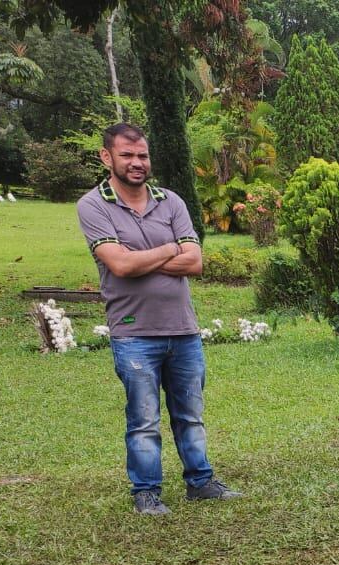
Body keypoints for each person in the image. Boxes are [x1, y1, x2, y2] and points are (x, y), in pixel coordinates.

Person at [76, 122, 240, 515]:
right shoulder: (93, 205)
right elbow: (119, 265)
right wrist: (169, 248)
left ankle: (200, 482)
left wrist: (139, 258)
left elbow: (195, 262)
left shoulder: (171, 201)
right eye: (127, 155)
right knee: (143, 419)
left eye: (142, 156)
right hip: (134, 333)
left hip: (183, 329)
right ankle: (146, 492)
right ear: (107, 157)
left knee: (191, 414)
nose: (137, 163)